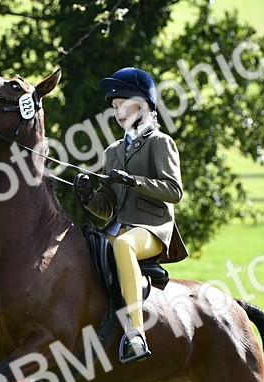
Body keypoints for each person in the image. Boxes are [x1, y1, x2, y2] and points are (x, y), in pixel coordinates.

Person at [74, 66, 188, 364]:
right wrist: (88, 196)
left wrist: (134, 181)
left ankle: (136, 332)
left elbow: (174, 191)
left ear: (144, 105)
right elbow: (108, 206)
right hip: (118, 225)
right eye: (114, 108)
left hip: (151, 229)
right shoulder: (112, 151)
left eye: (123, 106)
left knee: (123, 245)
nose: (118, 113)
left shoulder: (160, 143)